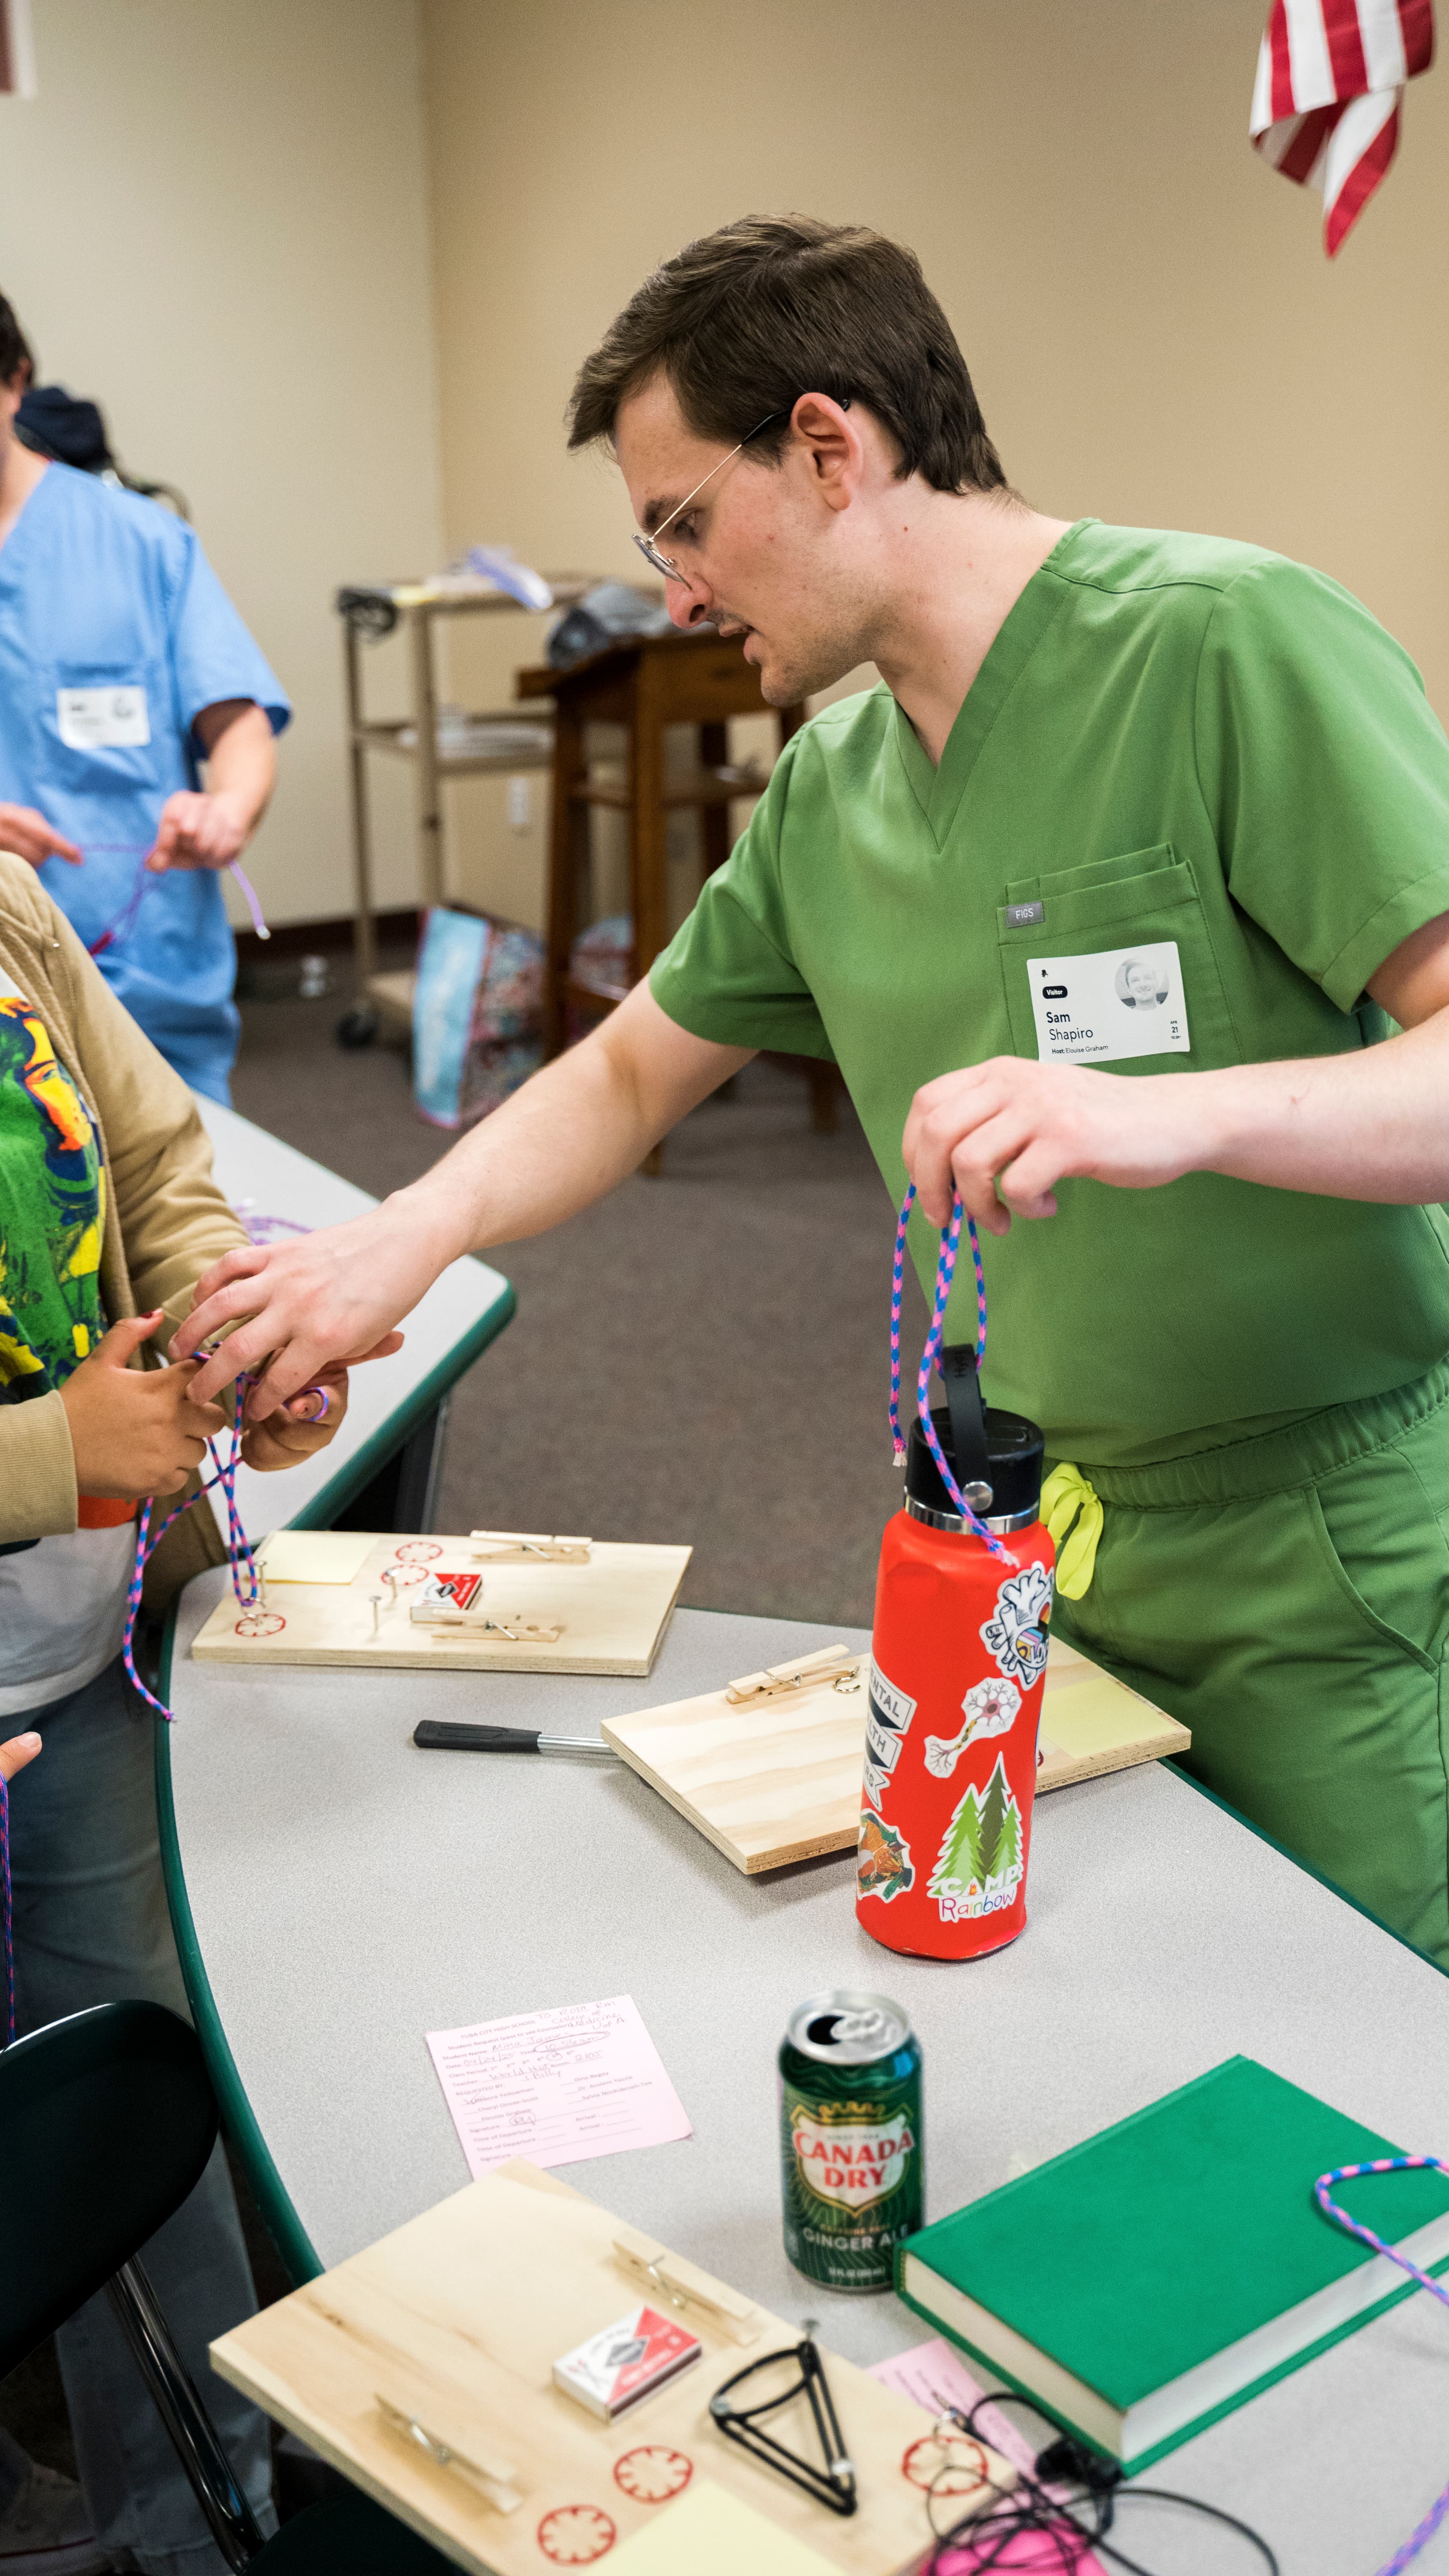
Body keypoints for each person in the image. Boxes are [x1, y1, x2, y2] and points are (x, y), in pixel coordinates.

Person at [175, 215, 1449, 1965]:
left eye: (683, 521)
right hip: (1043, 1551)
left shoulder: (1223, 645)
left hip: (1332, 1548)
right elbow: (629, 1074)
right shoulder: (836, 783)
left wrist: (1173, 1113)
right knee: (1132, 2025)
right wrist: (400, 1239)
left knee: (1370, 2061)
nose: (672, 590)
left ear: (833, 448)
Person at [0, 848, 400, 2573]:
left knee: (127, 2084)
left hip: (66, 1652)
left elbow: (154, 1150)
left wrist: (219, 1336)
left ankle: (202, 2519)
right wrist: (51, 1452)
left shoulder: (6, 913)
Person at [0, 293, 289, 1105]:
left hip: (144, 982)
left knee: (178, 1214)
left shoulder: (141, 543)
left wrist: (227, 807)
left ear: (16, 380)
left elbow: (236, 722)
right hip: (2, 993)